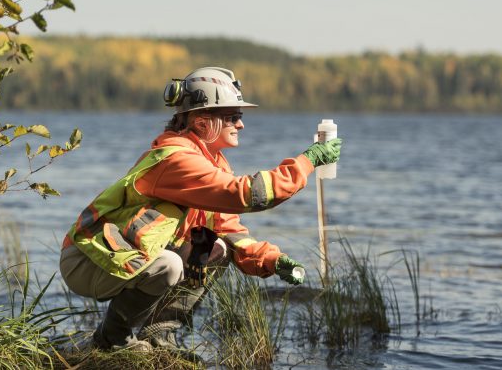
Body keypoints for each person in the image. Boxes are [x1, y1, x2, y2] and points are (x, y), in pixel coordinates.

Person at [59, 66, 342, 352]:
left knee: (214, 249)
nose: (240, 125)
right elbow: (246, 195)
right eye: (232, 117)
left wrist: (273, 260)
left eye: (239, 117)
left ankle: (160, 334)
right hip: (86, 259)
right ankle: (112, 339)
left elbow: (230, 231)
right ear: (202, 121)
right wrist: (306, 162)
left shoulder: (210, 163)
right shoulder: (177, 160)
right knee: (170, 266)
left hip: (120, 254)